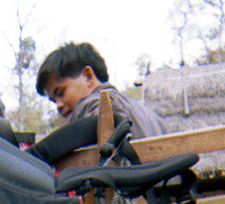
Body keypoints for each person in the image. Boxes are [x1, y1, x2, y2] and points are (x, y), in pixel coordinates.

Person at [36, 42, 165, 138]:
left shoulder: (98, 106)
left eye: (61, 93)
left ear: (88, 76)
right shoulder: (147, 113)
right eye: (54, 101)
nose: (59, 105)